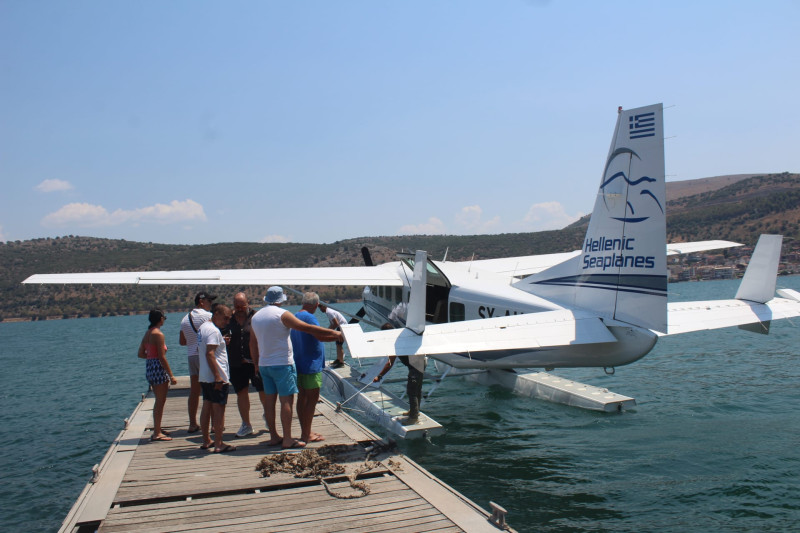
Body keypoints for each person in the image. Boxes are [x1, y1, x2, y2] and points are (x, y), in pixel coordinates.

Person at [250, 286, 343, 449]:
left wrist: (256, 363)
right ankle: (287, 439)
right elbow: (307, 328)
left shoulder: (256, 316)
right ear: (281, 300)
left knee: (270, 402)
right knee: (287, 400)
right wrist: (335, 333)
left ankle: (274, 436)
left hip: (265, 364)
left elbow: (252, 342)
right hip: (282, 364)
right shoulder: (282, 314)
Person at [222, 292, 269, 438]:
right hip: (236, 363)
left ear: (248, 303)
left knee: (263, 391)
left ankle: (268, 416)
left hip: (255, 362)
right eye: (237, 306)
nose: (240, 308)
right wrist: (223, 340)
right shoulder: (229, 319)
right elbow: (219, 334)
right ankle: (246, 424)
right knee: (241, 393)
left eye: (242, 305)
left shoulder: (257, 317)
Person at [198, 304, 236, 453]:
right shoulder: (213, 330)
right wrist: (218, 376)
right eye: (225, 318)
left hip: (205, 376)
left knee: (206, 406)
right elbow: (210, 354)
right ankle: (219, 443)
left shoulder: (204, 327)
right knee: (219, 409)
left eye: (229, 319)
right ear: (216, 314)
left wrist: (221, 343)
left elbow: (209, 349)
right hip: (215, 377)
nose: (227, 322)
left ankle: (206, 440)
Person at [290, 292, 328, 443]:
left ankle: (305, 431)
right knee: (312, 399)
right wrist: (337, 334)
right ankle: (306, 434)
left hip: (298, 362)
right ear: (316, 305)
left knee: (302, 398)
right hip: (311, 364)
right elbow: (319, 334)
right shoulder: (310, 317)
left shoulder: (294, 316)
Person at [373, 322, 426, 425]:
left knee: (412, 391)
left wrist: (379, 376)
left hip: (416, 366)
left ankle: (413, 418)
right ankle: (415, 411)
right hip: (422, 361)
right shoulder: (400, 337)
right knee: (417, 390)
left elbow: (390, 363)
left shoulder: (393, 343)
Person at [137, 309, 178, 441]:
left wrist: (151, 358)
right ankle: (157, 433)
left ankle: (157, 428)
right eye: (164, 318)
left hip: (149, 367)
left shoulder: (148, 333)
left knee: (158, 400)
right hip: (158, 368)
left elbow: (140, 353)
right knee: (160, 401)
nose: (164, 320)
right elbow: (162, 357)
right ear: (160, 319)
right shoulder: (158, 334)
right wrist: (171, 375)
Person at [179, 291, 216, 433]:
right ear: (202, 302)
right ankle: (213, 424)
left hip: (191, 356)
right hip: (204, 356)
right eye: (209, 302)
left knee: (194, 391)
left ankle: (192, 423)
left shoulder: (184, 319)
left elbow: (182, 341)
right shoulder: (208, 317)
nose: (210, 305)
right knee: (211, 389)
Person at [317, 302, 348, 368]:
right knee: (337, 344)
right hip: (340, 327)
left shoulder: (329, 312)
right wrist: (327, 330)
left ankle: (341, 362)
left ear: (324, 306)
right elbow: (332, 324)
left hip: (342, 327)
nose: (320, 309)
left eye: (320, 307)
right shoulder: (328, 312)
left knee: (339, 344)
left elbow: (335, 323)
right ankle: (339, 359)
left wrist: (329, 331)